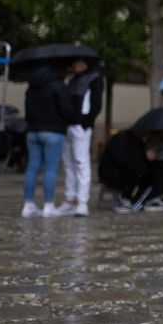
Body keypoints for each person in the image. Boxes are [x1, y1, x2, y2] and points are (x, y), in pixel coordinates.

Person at [22, 66, 74, 217]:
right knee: (50, 168)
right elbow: (66, 111)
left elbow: (28, 111)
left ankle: (28, 204)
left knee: (32, 168)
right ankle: (48, 205)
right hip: (54, 132)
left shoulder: (31, 88)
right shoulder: (59, 87)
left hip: (33, 132)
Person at [60, 58, 104, 215]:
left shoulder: (94, 78)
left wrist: (86, 122)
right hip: (69, 125)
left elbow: (96, 104)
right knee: (69, 163)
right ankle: (70, 199)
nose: (74, 65)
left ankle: (82, 201)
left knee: (81, 161)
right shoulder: (73, 80)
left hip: (80, 125)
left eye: (78, 62)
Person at [101, 127, 163, 213]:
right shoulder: (121, 139)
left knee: (160, 168)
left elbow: (145, 159)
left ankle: (155, 198)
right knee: (140, 170)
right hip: (113, 172)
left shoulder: (139, 142)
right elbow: (122, 159)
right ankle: (131, 200)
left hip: (131, 171)